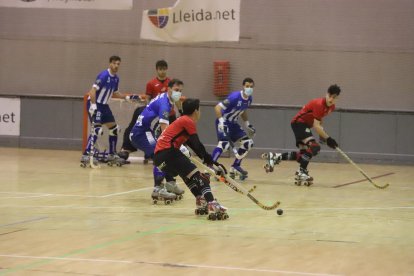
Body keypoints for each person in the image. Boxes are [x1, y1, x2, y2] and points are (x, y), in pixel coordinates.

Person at [154, 98, 229, 220]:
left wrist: (212, 162)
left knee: (188, 177)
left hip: (159, 158)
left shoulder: (181, 121)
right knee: (201, 178)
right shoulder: (187, 121)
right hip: (169, 153)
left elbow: (194, 146)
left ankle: (201, 200)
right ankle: (212, 204)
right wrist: (209, 160)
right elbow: (197, 144)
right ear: (196, 111)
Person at [262, 84, 341, 186]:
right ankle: (301, 171)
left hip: (304, 125)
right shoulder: (319, 104)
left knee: (302, 156)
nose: (331, 99)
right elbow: (316, 126)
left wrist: (322, 135)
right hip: (299, 123)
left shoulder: (331, 107)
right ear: (326, 94)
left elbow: (319, 120)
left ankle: (275, 157)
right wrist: (328, 138)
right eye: (330, 96)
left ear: (337, 98)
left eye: (334, 97)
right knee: (314, 147)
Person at [130, 79, 185, 201]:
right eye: (176, 90)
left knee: (166, 153)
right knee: (160, 155)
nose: (178, 93)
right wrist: (179, 145)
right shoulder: (164, 104)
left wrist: (181, 110)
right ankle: (158, 189)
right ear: (169, 89)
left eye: (181, 91)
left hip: (148, 131)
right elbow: (165, 131)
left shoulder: (168, 99)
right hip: (141, 132)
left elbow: (177, 104)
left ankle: (170, 183)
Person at [80, 55, 139, 167]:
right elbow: (92, 91)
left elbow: (115, 92)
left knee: (114, 129)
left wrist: (126, 98)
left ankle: (112, 154)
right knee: (97, 129)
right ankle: (87, 153)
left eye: (118, 64)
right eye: (114, 63)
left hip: (104, 106)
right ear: (110, 64)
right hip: (95, 104)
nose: (116, 66)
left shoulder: (116, 78)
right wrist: (93, 106)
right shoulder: (103, 76)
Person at [118, 60, 173, 163]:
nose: (162, 71)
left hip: (166, 115)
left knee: (160, 134)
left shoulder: (171, 83)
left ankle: (156, 153)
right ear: (157, 70)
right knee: (139, 129)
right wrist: (149, 108)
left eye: (164, 69)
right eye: (160, 69)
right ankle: (127, 150)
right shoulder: (151, 83)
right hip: (154, 113)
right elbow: (148, 98)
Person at [211, 77, 256, 180]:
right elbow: (217, 108)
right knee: (224, 144)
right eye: (247, 86)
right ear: (243, 86)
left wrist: (247, 124)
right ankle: (210, 166)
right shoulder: (235, 97)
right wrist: (222, 122)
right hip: (223, 121)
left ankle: (235, 166)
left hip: (234, 123)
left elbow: (243, 111)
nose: (249, 88)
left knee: (248, 143)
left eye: (251, 87)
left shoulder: (249, 99)